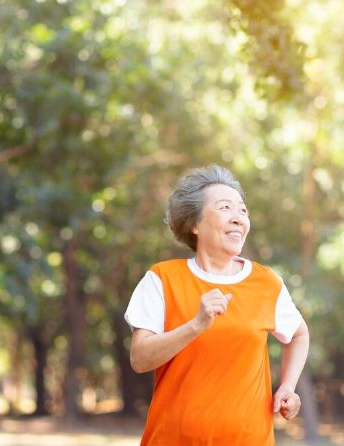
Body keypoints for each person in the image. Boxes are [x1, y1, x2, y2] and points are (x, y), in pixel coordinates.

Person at [124, 164, 309, 445]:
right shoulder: (162, 278)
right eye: (225, 208)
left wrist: (288, 386)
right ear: (194, 224)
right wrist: (196, 325)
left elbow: (298, 334)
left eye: (243, 211)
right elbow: (140, 358)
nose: (238, 218)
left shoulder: (266, 282)